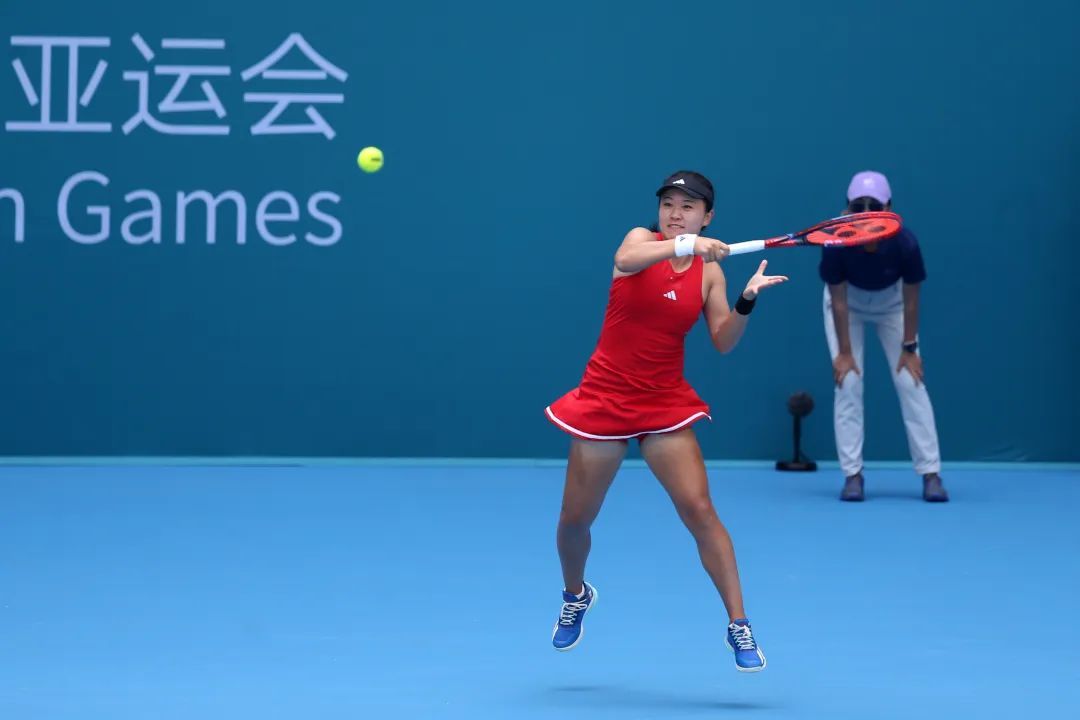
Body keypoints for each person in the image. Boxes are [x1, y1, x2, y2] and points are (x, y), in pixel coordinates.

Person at [543, 170, 787, 672]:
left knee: (699, 510)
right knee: (574, 521)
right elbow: (625, 261)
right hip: (606, 397)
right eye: (669, 204)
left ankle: (738, 624)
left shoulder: (710, 273)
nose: (676, 213)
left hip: (663, 401)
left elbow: (723, 340)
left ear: (708, 215)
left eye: (688, 207)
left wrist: (746, 300)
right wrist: (688, 244)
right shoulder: (640, 240)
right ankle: (575, 594)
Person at [820, 170, 948, 503]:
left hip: (894, 306)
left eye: (874, 205)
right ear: (847, 210)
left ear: (888, 208)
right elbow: (838, 300)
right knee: (848, 382)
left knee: (911, 382)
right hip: (847, 305)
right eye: (858, 206)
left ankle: (931, 473)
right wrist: (844, 353)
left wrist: (909, 347)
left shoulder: (906, 243)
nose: (866, 212)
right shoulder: (835, 244)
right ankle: (852, 475)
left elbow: (912, 298)